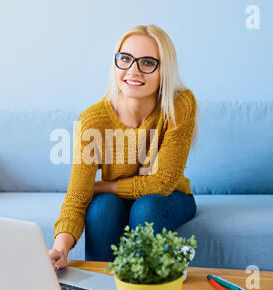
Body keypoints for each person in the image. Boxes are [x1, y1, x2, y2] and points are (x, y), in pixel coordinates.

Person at [49, 24, 198, 270]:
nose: (133, 70)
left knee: (146, 206)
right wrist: (60, 248)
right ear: (115, 63)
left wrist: (103, 185)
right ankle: (103, 289)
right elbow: (76, 198)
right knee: (101, 208)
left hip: (170, 197)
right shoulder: (92, 120)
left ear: (164, 70)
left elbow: (161, 184)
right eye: (125, 59)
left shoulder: (179, 104)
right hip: (116, 201)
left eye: (147, 63)